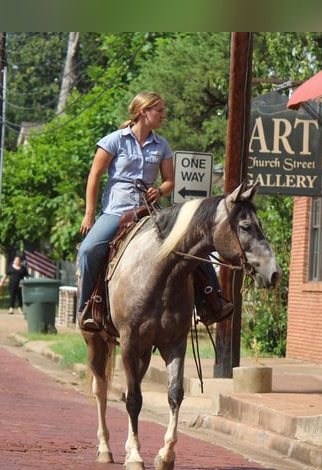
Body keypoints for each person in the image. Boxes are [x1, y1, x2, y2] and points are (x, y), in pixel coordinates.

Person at [77, 91, 232, 331]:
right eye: (159, 110)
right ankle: (87, 308)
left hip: (149, 211)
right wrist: (89, 213)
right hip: (116, 211)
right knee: (88, 250)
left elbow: (170, 180)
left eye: (162, 110)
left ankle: (213, 300)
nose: (163, 115)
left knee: (190, 240)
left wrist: (159, 191)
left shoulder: (162, 145)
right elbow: (94, 176)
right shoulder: (115, 140)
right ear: (143, 112)